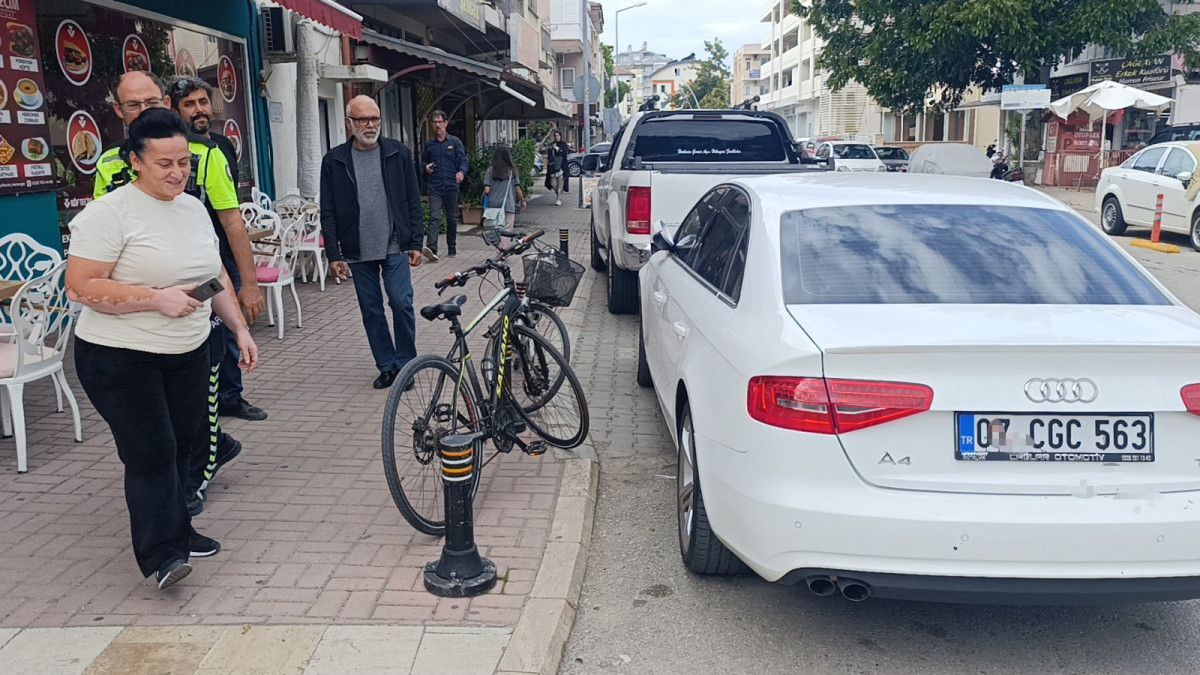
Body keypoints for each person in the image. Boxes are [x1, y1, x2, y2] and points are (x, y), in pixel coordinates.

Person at [66, 108, 260, 590]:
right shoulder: (108, 214)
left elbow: (214, 275)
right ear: (135, 161)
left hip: (188, 351)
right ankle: (163, 556)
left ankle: (179, 528)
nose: (178, 173)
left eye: (184, 163)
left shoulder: (192, 208)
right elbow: (81, 286)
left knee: (184, 444)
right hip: (119, 357)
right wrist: (154, 299)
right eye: (165, 164)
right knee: (151, 451)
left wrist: (239, 328)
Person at [167, 76, 264, 514]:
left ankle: (229, 401)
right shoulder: (130, 160)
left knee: (222, 341)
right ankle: (214, 434)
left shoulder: (217, 149)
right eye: (189, 104)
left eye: (203, 101)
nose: (199, 110)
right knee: (201, 354)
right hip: (173, 277)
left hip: (215, 266)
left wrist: (247, 282)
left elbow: (232, 219)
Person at [320, 95, 424, 389]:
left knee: (401, 303)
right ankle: (387, 366)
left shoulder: (398, 153)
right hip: (357, 249)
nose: (370, 125)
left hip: (394, 244)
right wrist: (333, 254)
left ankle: (406, 365)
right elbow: (328, 210)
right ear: (349, 123)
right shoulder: (334, 160)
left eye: (374, 118)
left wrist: (416, 242)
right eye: (363, 119)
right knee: (372, 310)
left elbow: (413, 199)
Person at [420, 110, 467, 261]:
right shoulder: (429, 144)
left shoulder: (455, 142)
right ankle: (431, 249)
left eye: (440, 122)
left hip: (451, 185)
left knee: (451, 218)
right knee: (434, 216)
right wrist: (426, 167)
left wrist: (461, 172)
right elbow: (422, 162)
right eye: (435, 122)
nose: (437, 125)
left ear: (446, 124)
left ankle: (452, 247)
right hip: (435, 186)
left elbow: (463, 160)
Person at [483, 145, 527, 234]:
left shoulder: (490, 171)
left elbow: (487, 190)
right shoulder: (512, 171)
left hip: (493, 206)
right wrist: (522, 201)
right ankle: (505, 243)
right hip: (508, 205)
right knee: (507, 231)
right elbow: (517, 189)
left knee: (494, 231)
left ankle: (499, 243)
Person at [543, 130, 571, 206]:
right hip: (553, 167)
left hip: (561, 167)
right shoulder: (551, 144)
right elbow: (548, 155)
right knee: (553, 184)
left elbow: (563, 153)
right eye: (555, 135)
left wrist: (556, 148)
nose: (557, 137)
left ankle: (558, 199)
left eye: (558, 135)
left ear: (560, 136)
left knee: (560, 183)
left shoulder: (563, 144)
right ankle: (558, 192)